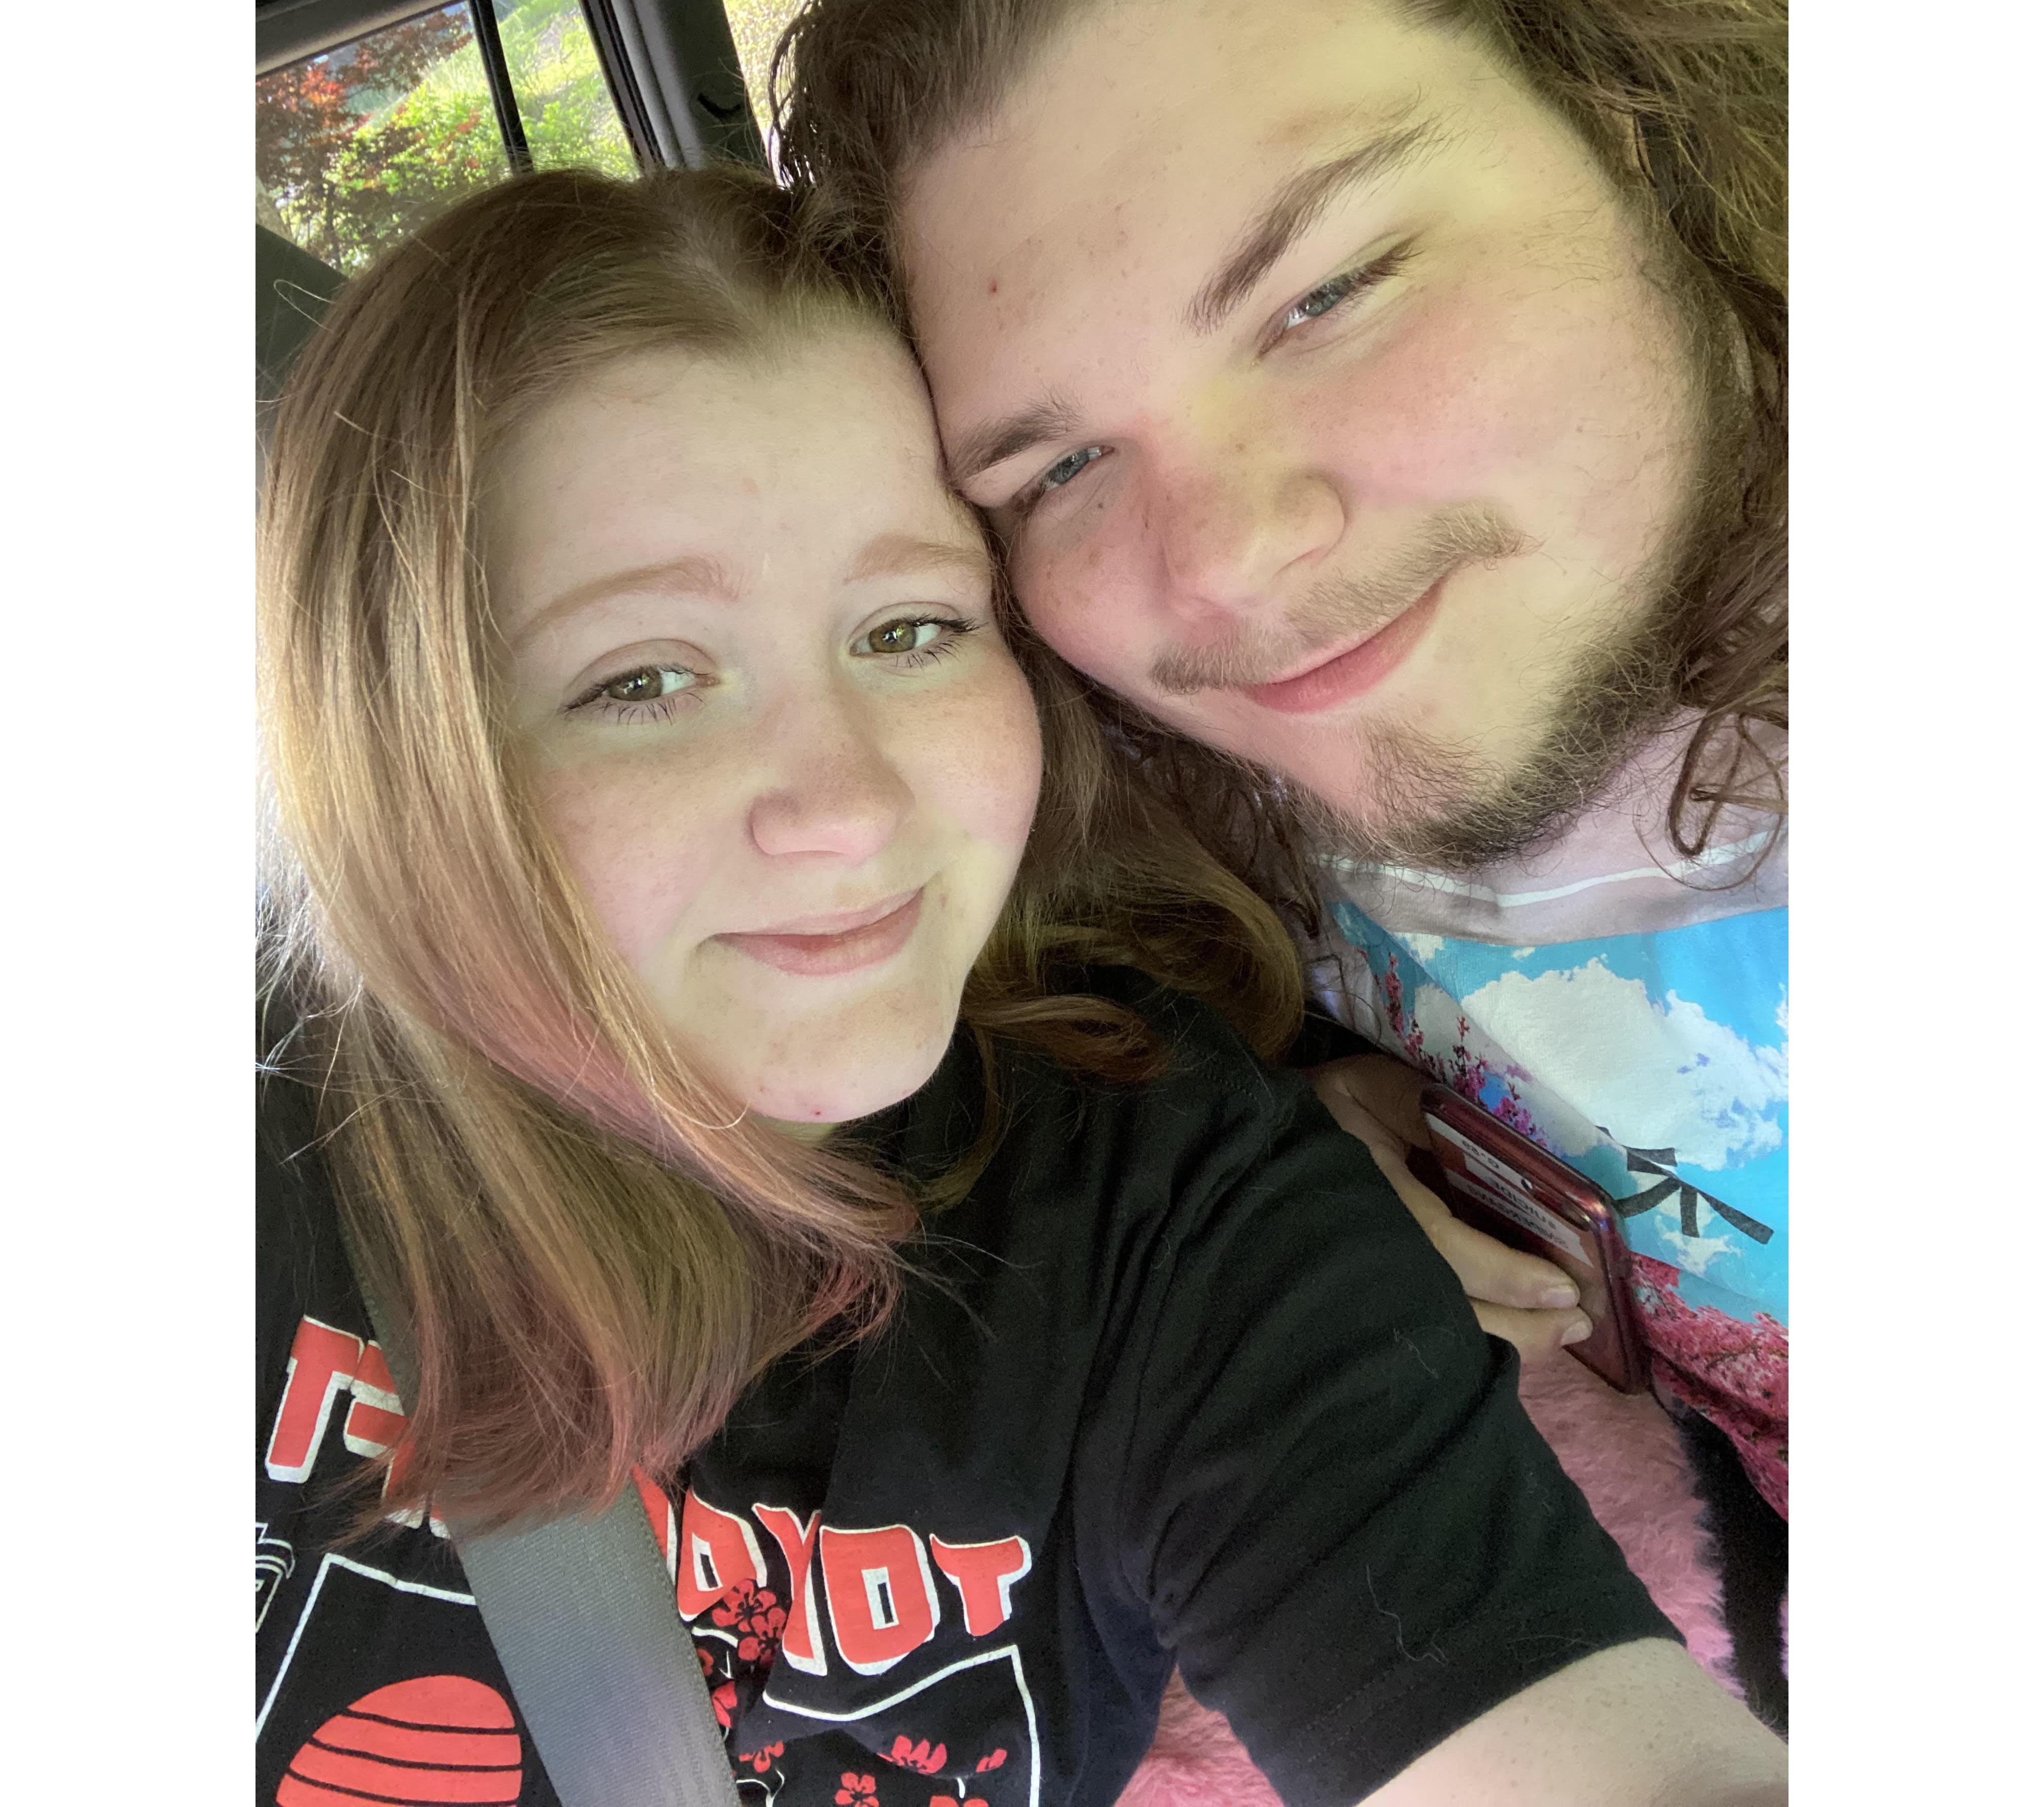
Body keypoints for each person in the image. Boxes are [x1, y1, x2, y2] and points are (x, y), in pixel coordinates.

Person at [256, 165, 1784, 1805]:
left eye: (910, 630)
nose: (850, 806)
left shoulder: (1169, 1204)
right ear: (405, 749)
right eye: (643, 679)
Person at [777, 0, 1790, 1544]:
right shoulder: (1155, 805)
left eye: (1325, 293)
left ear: (1636, 126)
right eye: (1059, 468)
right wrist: (1316, 1136)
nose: (1226, 560)